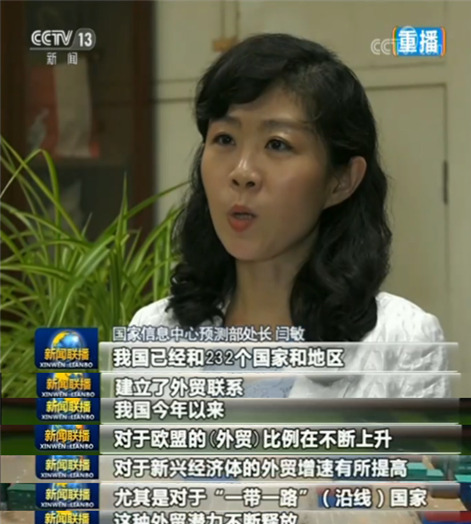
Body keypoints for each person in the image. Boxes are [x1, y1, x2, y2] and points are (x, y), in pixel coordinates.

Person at [130, 33, 452, 398]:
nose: (242, 172)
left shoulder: (402, 342)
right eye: (225, 139)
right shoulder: (154, 331)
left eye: (277, 144)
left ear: (342, 180)